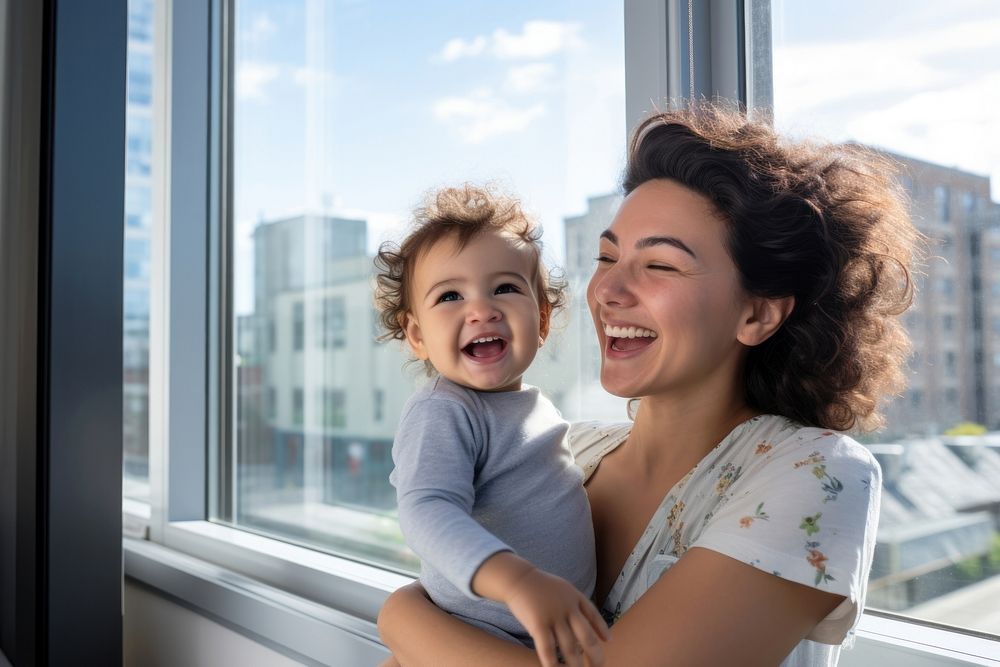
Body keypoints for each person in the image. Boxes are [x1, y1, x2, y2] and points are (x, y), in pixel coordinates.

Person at [376, 102, 920, 667]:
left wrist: (402, 616)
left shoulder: (816, 474)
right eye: (606, 256)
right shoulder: (567, 449)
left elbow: (427, 617)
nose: (607, 289)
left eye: (659, 265)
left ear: (757, 315)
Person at [374, 185, 611, 667]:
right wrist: (519, 582)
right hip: (471, 636)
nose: (481, 309)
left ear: (542, 319)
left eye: (504, 287)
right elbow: (426, 510)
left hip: (535, 637)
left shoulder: (537, 408)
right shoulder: (445, 409)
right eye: (450, 295)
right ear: (417, 335)